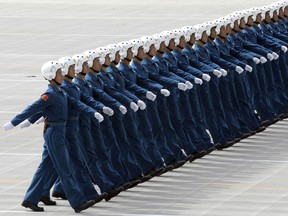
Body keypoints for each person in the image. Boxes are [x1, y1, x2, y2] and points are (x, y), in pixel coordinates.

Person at [3, 61, 96, 213]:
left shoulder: (61, 92)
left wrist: (93, 111)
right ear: (51, 76)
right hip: (55, 133)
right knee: (65, 168)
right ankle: (78, 202)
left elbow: (74, 103)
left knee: (45, 167)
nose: (62, 75)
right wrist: (14, 122)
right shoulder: (50, 95)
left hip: (59, 131)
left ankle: (30, 199)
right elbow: (32, 108)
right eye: (59, 73)